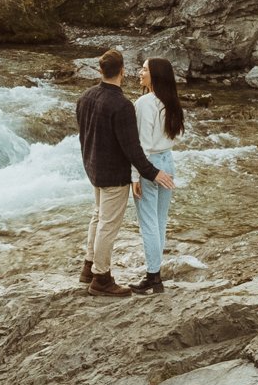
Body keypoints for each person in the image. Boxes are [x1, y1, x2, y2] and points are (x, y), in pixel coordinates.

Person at [75, 48, 175, 297]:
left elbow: (83, 134)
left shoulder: (85, 97)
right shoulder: (122, 105)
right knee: (107, 224)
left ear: (100, 70)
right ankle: (101, 278)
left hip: (93, 168)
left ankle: (88, 267)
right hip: (114, 174)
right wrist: (151, 173)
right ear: (123, 71)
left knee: (97, 217)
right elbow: (132, 148)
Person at [130, 57, 185, 294]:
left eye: (144, 69)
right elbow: (177, 137)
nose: (140, 72)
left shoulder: (145, 102)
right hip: (167, 161)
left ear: (156, 75)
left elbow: (141, 144)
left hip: (150, 165)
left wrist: (134, 175)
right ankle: (155, 274)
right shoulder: (171, 102)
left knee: (149, 224)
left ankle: (153, 277)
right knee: (160, 222)